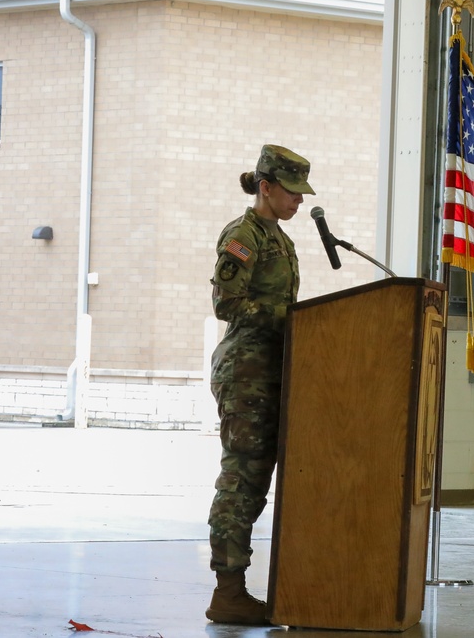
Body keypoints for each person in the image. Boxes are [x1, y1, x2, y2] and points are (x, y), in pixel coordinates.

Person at [205, 144, 315, 626]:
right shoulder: (243, 234)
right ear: (266, 187)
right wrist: (293, 319)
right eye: (291, 192)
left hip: (273, 372)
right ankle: (228, 591)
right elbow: (227, 304)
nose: (299, 202)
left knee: (257, 481)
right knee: (241, 479)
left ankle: (238, 588)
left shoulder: (281, 238)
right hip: (245, 374)